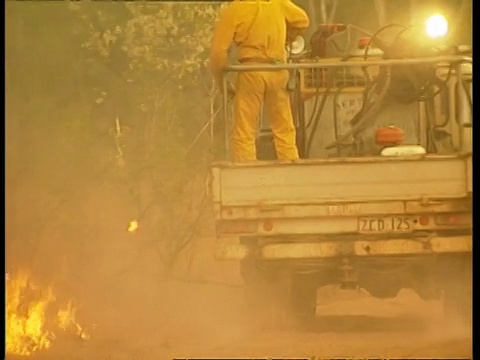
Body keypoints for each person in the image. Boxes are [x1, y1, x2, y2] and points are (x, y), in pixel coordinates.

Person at [210, 0, 310, 162]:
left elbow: (217, 52)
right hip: (277, 70)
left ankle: (246, 170)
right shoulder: (278, 3)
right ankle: (291, 165)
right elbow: (303, 20)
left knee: (245, 129)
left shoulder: (235, 9)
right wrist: (288, 33)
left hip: (250, 71)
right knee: (284, 127)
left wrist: (221, 80)